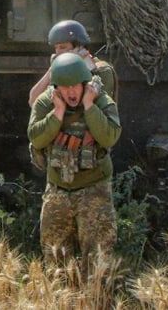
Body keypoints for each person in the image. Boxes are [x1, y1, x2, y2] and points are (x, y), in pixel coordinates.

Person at [28, 52, 121, 266]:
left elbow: (110, 136)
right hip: (58, 189)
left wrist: (89, 105)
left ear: (84, 83)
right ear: (56, 87)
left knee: (98, 260)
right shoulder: (46, 103)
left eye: (75, 86)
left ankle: (96, 299)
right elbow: (36, 138)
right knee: (55, 258)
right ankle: (63, 299)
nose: (71, 92)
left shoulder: (101, 100)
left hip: (94, 189)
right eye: (65, 86)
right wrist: (57, 113)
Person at [28, 20, 117, 108]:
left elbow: (98, 107)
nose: (58, 52)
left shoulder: (102, 70)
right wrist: (52, 69)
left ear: (79, 47)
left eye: (63, 47)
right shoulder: (59, 71)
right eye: (56, 48)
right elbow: (33, 102)